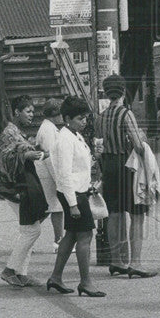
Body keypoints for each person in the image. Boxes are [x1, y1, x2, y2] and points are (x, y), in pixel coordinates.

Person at [95, 74, 156, 278]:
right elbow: (138, 145)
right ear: (123, 92)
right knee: (137, 214)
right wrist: (142, 138)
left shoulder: (100, 117)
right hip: (127, 166)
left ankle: (116, 260)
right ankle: (136, 262)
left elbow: (98, 146)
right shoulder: (126, 114)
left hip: (109, 166)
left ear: (106, 92)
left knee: (114, 213)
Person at [47, 96, 105, 297]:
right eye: (81, 118)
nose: (85, 122)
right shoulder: (64, 139)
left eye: (86, 118)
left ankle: (55, 277)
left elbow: (79, 165)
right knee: (85, 235)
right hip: (72, 193)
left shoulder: (74, 135)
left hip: (78, 190)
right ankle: (86, 282)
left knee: (71, 235)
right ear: (68, 118)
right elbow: (63, 173)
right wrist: (73, 204)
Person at [0, 95, 49, 287]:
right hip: (17, 186)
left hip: (23, 184)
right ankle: (10, 270)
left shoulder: (16, 131)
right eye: (28, 111)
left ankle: (21, 272)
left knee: (29, 229)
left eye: (33, 112)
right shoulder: (10, 132)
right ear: (17, 112)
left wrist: (34, 152)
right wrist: (27, 154)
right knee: (31, 230)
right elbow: (5, 157)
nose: (31, 115)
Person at [35, 99, 65, 251]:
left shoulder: (49, 127)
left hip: (47, 175)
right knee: (55, 208)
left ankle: (57, 240)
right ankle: (58, 241)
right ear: (55, 114)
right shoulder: (48, 130)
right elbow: (50, 156)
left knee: (50, 209)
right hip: (48, 175)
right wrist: (58, 178)